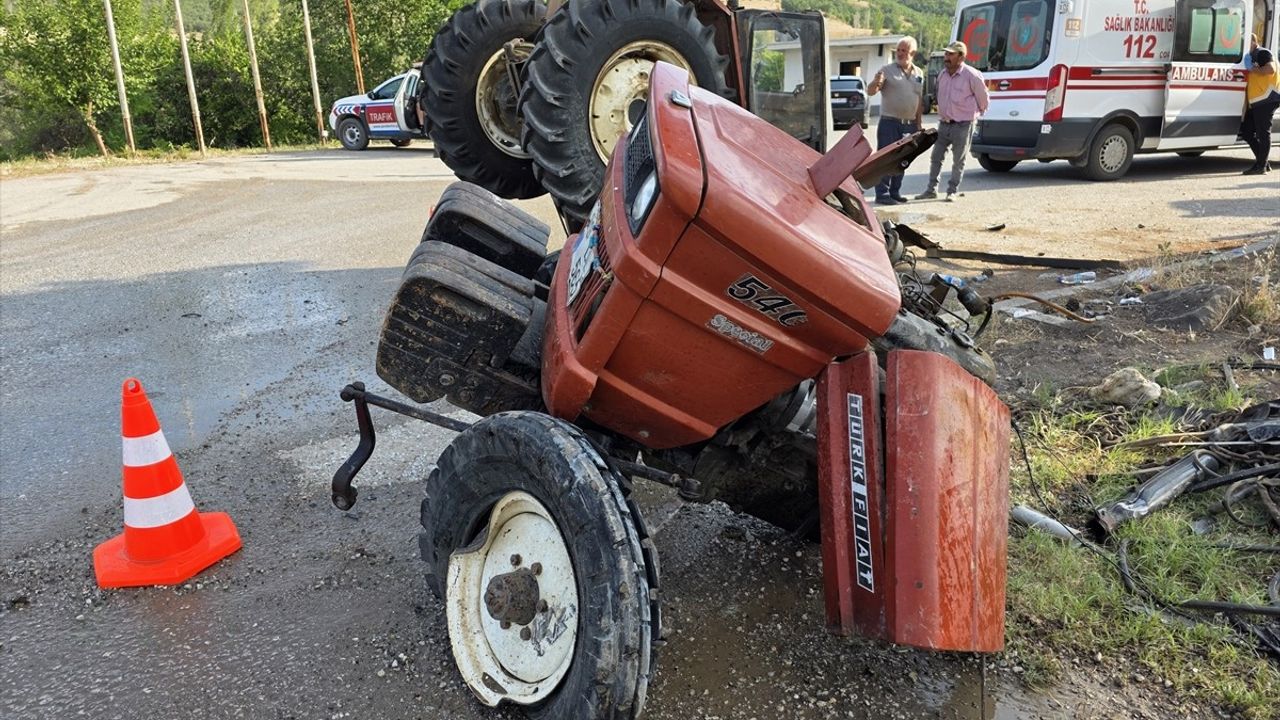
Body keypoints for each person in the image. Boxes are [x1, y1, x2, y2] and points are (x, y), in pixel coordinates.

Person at [916, 41, 989, 202]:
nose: (946, 57)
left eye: (951, 54)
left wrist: (975, 114)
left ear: (961, 57)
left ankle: (952, 191)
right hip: (944, 123)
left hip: (964, 124)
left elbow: (983, 99)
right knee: (936, 157)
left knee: (958, 160)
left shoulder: (972, 75)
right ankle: (931, 190)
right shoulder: (942, 74)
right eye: (946, 54)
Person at [867, 37, 924, 205]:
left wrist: (919, 123)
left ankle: (895, 192)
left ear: (912, 53)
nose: (899, 53)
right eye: (898, 50)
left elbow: (919, 100)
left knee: (903, 159)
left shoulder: (919, 73)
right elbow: (871, 91)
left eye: (903, 50)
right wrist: (875, 83)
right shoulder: (886, 70)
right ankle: (882, 194)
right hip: (889, 122)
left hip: (910, 124)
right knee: (886, 158)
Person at [1242, 43, 1279, 174]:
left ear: (1251, 43)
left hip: (1266, 99)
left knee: (1263, 134)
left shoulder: (1262, 53)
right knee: (1246, 131)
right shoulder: (1253, 55)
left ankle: (1261, 166)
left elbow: (1271, 69)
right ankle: (1263, 162)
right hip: (1258, 101)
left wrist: (1253, 69)